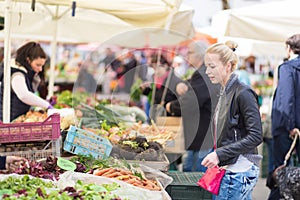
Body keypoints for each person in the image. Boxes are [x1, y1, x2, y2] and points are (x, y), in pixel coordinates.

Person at [202, 40, 263, 200]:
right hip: (229, 169)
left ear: (228, 66)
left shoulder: (243, 93)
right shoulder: (224, 91)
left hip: (238, 171)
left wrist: (220, 154)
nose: (207, 71)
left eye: (212, 66)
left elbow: (256, 136)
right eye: (207, 66)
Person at [166, 41, 220, 172]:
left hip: (203, 134)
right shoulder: (203, 72)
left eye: (190, 52)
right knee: (190, 169)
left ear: (200, 55)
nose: (187, 55)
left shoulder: (203, 73)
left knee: (197, 177)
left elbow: (192, 101)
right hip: (200, 134)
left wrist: (172, 107)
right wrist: (184, 84)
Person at [269, 33, 300, 200]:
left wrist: (290, 125)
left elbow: (287, 97)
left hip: (287, 127)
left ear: (289, 49)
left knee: (280, 170)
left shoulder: (287, 68)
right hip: (294, 126)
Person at [0, 41, 52, 121]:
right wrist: (46, 105)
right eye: (38, 65)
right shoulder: (17, 74)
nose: (40, 69)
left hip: (15, 119)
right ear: (28, 60)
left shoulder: (25, 73)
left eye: (42, 65)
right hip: (8, 121)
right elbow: (24, 95)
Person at [141, 53, 185, 122]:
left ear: (165, 66)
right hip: (156, 118)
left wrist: (170, 106)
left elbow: (182, 102)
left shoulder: (176, 81)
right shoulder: (154, 78)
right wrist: (145, 90)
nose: (155, 71)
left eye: (157, 67)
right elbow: (154, 95)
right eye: (153, 68)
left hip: (170, 120)